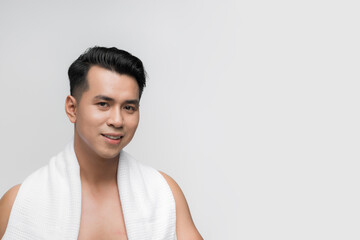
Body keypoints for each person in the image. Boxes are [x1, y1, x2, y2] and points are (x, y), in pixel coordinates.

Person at [0, 46, 203, 240]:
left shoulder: (164, 194)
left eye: (129, 108)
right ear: (72, 108)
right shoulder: (21, 201)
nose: (117, 120)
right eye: (103, 104)